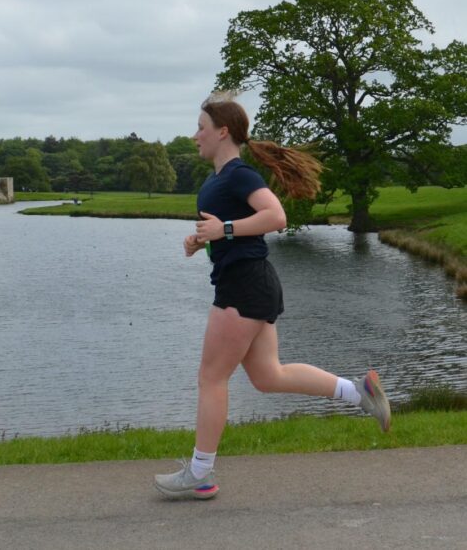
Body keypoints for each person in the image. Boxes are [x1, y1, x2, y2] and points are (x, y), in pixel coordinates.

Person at [154, 93, 391, 500]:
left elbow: (275, 216)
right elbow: (230, 232)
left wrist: (224, 230)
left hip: (243, 287)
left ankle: (200, 473)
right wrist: (202, 241)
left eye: (201, 128)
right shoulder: (216, 181)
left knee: (211, 378)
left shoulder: (239, 175)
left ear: (222, 132)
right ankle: (359, 392)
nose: (195, 136)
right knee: (268, 376)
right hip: (251, 281)